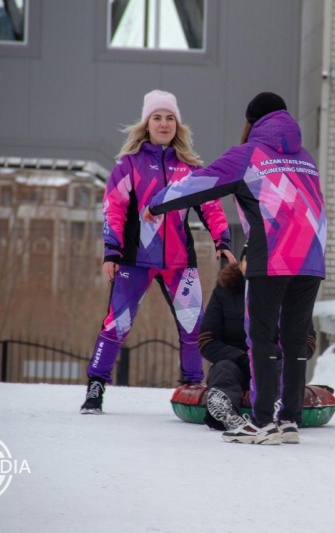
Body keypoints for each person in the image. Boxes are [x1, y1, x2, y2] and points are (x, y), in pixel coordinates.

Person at [145, 92, 326, 444]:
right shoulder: (305, 158)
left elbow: (202, 183)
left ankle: (262, 422)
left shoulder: (249, 155)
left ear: (252, 122)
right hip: (312, 259)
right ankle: (288, 421)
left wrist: (158, 203)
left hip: (272, 256)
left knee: (260, 339)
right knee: (292, 339)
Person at [80, 90, 235, 414]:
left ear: (178, 126)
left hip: (180, 263)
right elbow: (114, 210)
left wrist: (223, 242)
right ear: (146, 124)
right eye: (157, 117)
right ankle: (96, 387)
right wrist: (112, 251)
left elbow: (212, 208)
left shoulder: (192, 168)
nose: (164, 124)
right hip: (135, 261)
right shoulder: (129, 165)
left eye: (170, 118)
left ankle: (194, 386)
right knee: (117, 324)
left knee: (194, 325)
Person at [200, 249, 316, 444]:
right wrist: (239, 357)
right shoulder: (225, 290)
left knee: (281, 368)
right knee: (223, 368)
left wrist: (275, 354)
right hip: (236, 362)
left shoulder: (289, 293)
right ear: (241, 263)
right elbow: (207, 340)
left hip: (273, 363)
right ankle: (227, 413)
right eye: (248, 260)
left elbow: (307, 342)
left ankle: (278, 407)